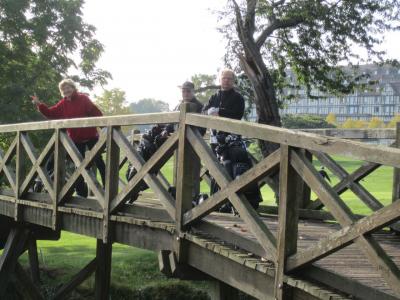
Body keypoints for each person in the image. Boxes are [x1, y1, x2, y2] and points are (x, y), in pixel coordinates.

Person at [30, 79, 106, 198]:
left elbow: (96, 113)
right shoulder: (63, 103)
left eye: (68, 88)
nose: (66, 90)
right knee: (78, 166)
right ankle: (81, 193)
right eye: (63, 89)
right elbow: (51, 113)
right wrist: (39, 104)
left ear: (73, 88)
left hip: (91, 136)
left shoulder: (83, 99)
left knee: (99, 162)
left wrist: (105, 128)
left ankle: (107, 189)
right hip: (76, 139)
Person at [202, 69, 245, 151]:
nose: (226, 80)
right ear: (220, 80)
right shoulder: (214, 97)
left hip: (232, 139)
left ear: (233, 81)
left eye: (229, 78)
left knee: (230, 162)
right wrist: (209, 112)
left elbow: (237, 115)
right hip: (214, 139)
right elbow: (203, 112)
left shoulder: (238, 97)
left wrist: (219, 111)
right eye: (224, 78)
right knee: (213, 162)